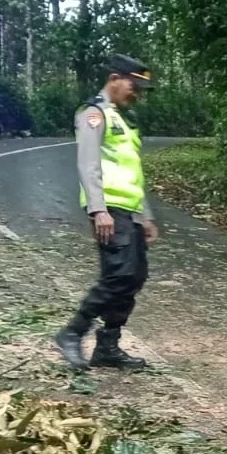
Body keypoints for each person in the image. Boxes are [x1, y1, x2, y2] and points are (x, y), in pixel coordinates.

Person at [54, 54, 159, 372]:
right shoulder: (93, 114)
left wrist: (146, 214)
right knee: (118, 275)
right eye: (133, 85)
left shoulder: (125, 121)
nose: (136, 93)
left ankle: (108, 346)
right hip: (110, 210)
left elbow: (132, 172)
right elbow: (88, 163)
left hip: (130, 211)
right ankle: (72, 332)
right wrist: (99, 209)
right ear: (114, 78)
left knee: (134, 276)